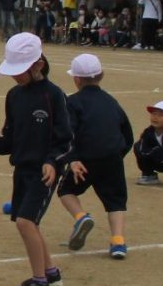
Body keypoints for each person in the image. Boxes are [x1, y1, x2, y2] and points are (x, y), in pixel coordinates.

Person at [0, 33, 71, 286]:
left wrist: (52, 161)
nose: (16, 76)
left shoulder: (54, 95)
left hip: (44, 173)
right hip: (21, 170)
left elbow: (66, 140)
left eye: (20, 70)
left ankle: (39, 279)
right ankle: (52, 273)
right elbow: (10, 139)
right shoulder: (14, 96)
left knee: (25, 222)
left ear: (39, 65)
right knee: (29, 224)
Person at [55, 54, 133, 260]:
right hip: (112, 157)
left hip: (85, 159)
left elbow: (67, 133)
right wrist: (117, 155)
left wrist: (72, 159)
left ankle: (81, 217)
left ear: (76, 79)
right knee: (115, 201)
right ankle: (118, 241)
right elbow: (127, 135)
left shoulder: (72, 102)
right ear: (102, 75)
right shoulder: (111, 101)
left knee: (66, 190)